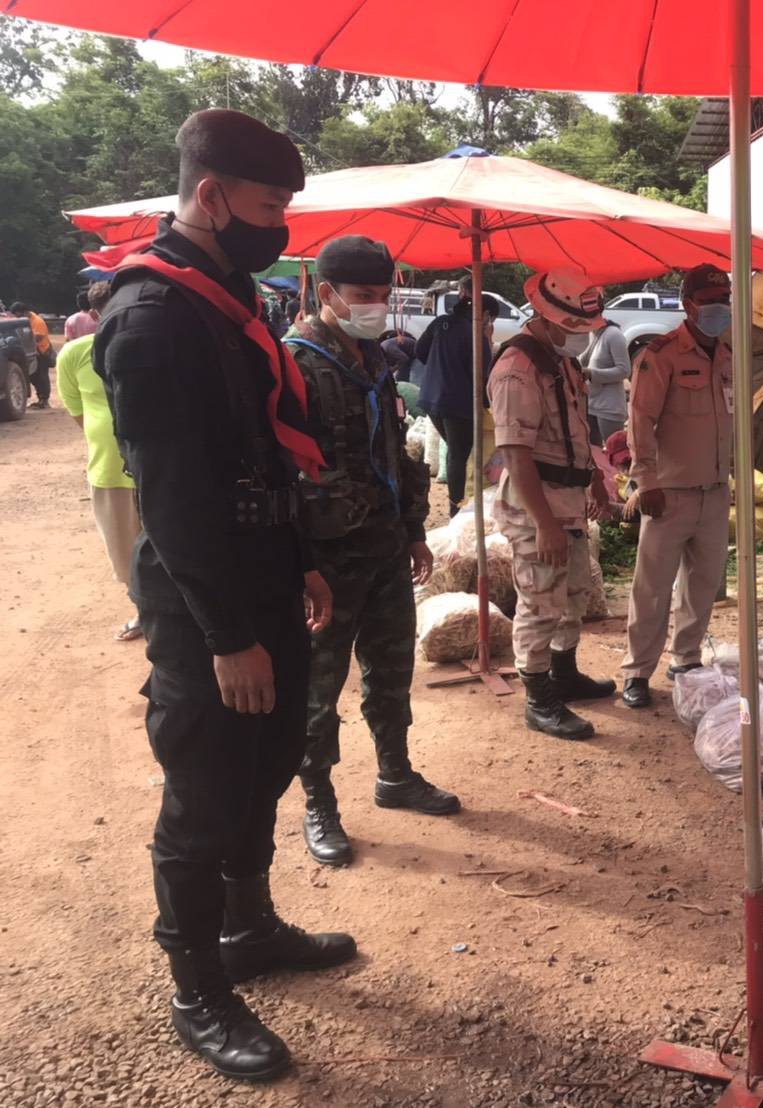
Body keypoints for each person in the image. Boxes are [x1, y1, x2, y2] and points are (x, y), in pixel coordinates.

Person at [93, 108, 354, 1083]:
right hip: (206, 601)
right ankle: (197, 987)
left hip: (264, 573)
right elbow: (174, 498)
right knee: (205, 788)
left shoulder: (226, 296)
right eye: (268, 206)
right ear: (210, 195)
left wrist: (301, 561)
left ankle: (250, 927)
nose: (278, 224)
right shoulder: (153, 317)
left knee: (269, 759)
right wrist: (228, 633)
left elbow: (260, 454)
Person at [282, 235, 458, 869]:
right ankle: (318, 801)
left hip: (383, 547)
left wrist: (413, 528)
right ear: (326, 293)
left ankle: (395, 774)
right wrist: (301, 565)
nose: (376, 306)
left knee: (390, 672)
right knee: (318, 688)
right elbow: (280, 476)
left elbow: (397, 454)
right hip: (327, 560)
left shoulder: (374, 357)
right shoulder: (294, 364)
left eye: (383, 295)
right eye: (363, 295)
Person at [488, 268, 614, 741]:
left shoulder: (560, 362)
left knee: (575, 591)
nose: (580, 336)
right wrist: (544, 524)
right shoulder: (517, 370)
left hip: (569, 499)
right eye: (572, 326)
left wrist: (596, 481)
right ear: (544, 317)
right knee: (540, 601)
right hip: (535, 505)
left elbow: (576, 430)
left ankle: (564, 674)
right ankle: (539, 699)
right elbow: (516, 455)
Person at [618, 264, 734, 708]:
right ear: (688, 305)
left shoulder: (729, 355)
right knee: (652, 588)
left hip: (714, 490)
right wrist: (644, 480)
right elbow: (639, 420)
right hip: (669, 493)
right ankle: (637, 671)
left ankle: (685, 658)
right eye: (709, 302)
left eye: (724, 301)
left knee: (703, 584)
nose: (719, 309)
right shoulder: (661, 354)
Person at [55, 280, 143, 642]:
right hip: (110, 471)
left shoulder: (150, 343)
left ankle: (180, 615)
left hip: (160, 470)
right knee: (124, 552)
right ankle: (144, 611)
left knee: (174, 546)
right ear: (94, 314)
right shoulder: (74, 354)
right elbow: (77, 411)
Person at [416, 275, 491, 515]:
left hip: (430, 398)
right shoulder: (476, 335)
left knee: (455, 449)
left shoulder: (440, 323)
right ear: (485, 315)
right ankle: (455, 508)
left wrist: (439, 368)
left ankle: (456, 502)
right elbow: (481, 375)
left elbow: (419, 350)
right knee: (459, 454)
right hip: (458, 403)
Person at [581, 315, 632, 445]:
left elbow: (624, 370)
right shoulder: (587, 334)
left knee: (615, 451)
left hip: (609, 407)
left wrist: (591, 373)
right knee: (593, 452)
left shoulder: (613, 335)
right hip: (589, 404)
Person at [11, 300, 54, 408]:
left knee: (42, 377)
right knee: (35, 377)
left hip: (41, 353)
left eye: (18, 315)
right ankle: (41, 399)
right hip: (33, 353)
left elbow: (38, 337)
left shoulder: (37, 321)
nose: (17, 317)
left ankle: (44, 400)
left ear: (24, 312)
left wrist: (20, 339)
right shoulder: (25, 320)